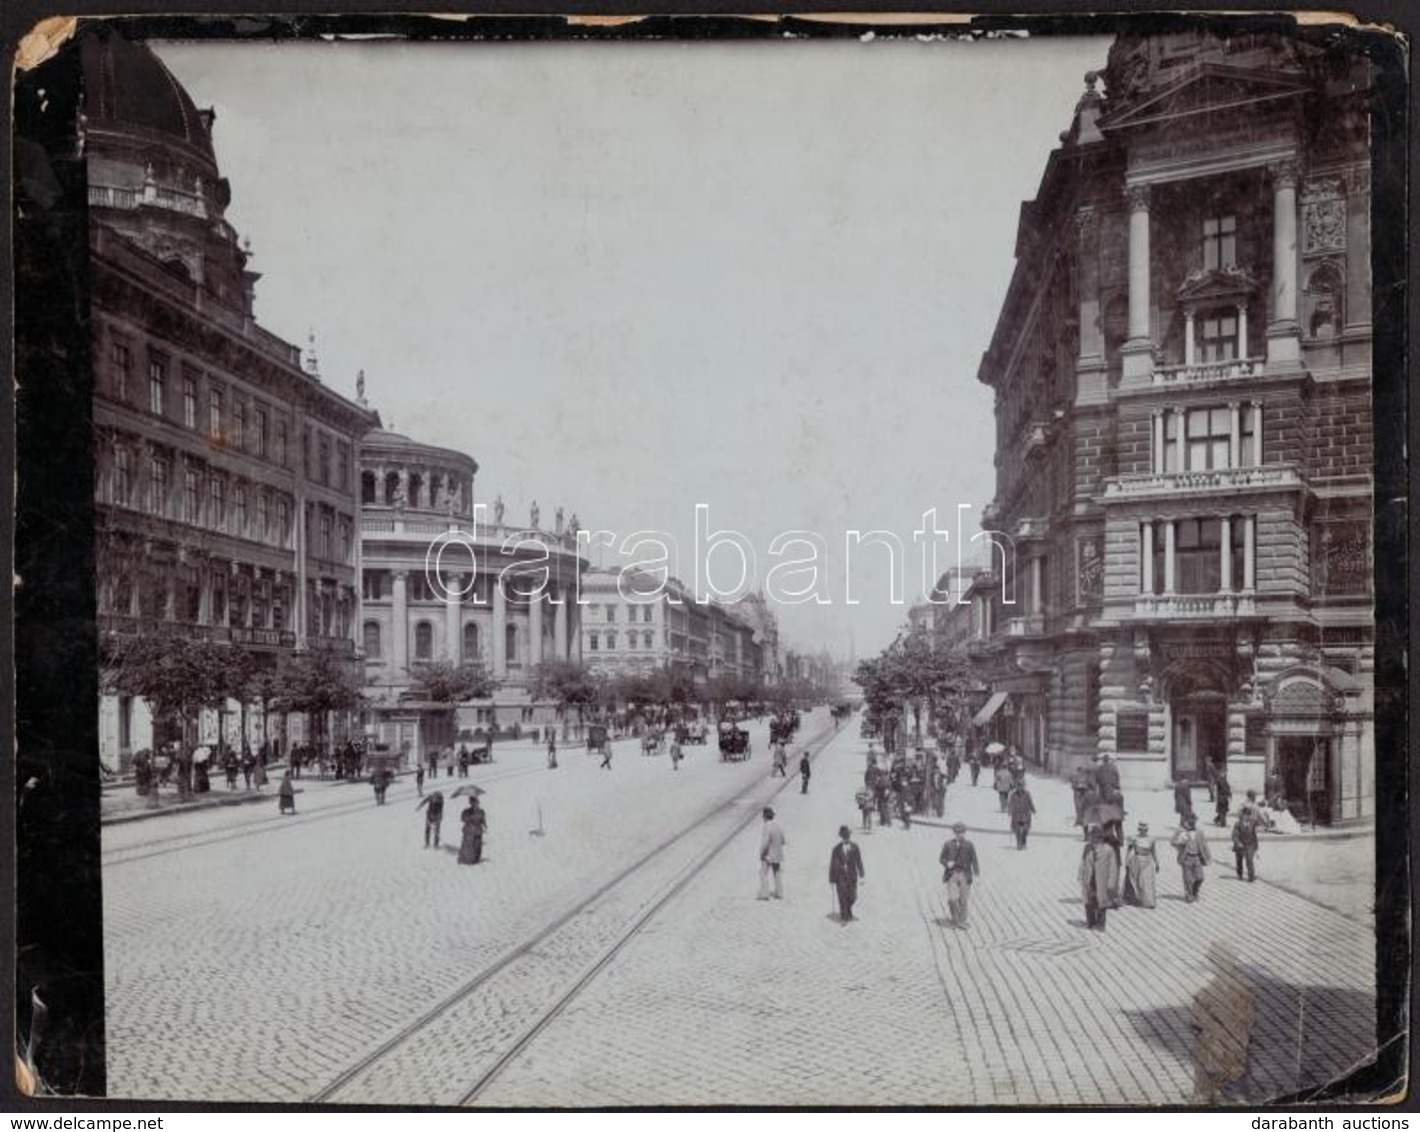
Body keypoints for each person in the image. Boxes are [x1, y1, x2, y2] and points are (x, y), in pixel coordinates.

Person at [1079, 825, 1120, 931]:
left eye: (1094, 838)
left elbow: (1113, 868)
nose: (1092, 840)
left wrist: (1112, 883)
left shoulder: (1108, 850)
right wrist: (1080, 875)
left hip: (1102, 880)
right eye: (1091, 837)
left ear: (1100, 838)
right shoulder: (1087, 848)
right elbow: (1083, 862)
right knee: (1089, 900)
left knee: (1101, 901)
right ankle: (1090, 921)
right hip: (1089, 878)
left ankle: (1101, 923)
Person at [939, 822, 979, 929]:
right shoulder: (948, 844)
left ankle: (962, 921)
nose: (959, 835)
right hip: (952, 874)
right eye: (957, 833)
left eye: (961, 833)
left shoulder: (969, 845)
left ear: (964, 833)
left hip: (965, 875)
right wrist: (947, 863)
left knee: (963, 899)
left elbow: (974, 860)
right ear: (954, 833)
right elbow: (941, 858)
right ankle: (955, 919)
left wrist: (976, 874)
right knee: (952, 898)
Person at [828, 826, 865, 923]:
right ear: (842, 837)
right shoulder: (836, 849)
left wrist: (862, 875)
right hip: (841, 876)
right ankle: (844, 915)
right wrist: (832, 879)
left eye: (847, 836)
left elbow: (859, 861)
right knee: (842, 896)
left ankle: (848, 909)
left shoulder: (855, 847)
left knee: (853, 896)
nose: (846, 838)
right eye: (844, 836)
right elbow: (832, 864)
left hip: (852, 876)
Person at [1173, 815, 1211, 902]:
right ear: (1187, 821)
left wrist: (1208, 857)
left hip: (1197, 857)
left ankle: (1195, 891)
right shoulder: (1181, 831)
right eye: (1190, 821)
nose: (1192, 823)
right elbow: (1173, 842)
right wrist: (1181, 842)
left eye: (1194, 821)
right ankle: (1188, 895)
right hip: (1186, 857)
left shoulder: (1199, 832)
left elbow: (1204, 844)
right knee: (1187, 879)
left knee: (1200, 877)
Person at [1123, 821, 1158, 908]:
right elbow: (1129, 851)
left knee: (1147, 881)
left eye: (1145, 830)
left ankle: (1149, 902)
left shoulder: (1151, 839)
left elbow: (1153, 852)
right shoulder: (1134, 838)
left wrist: (1157, 863)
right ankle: (1137, 899)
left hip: (1147, 860)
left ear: (1147, 830)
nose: (1143, 831)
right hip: (1136, 860)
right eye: (1141, 830)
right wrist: (1126, 862)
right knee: (1137, 881)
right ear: (1139, 830)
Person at [757, 807, 785, 900]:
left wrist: (761, 853)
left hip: (768, 854)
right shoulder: (778, 825)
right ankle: (779, 893)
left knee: (763, 873)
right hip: (778, 853)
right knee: (777, 872)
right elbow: (783, 840)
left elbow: (765, 842)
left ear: (765, 816)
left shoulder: (766, 826)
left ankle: (765, 894)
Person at [1006, 778, 1036, 849]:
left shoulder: (1027, 794)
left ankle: (1023, 842)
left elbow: (1030, 802)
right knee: (1017, 830)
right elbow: (1010, 803)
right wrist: (1010, 811)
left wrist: (1033, 809)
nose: (1020, 787)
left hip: (1026, 815)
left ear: (1024, 786)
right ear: (1016, 786)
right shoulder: (1013, 794)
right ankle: (1019, 843)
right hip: (1016, 815)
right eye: (1018, 785)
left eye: (1022, 785)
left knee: (1025, 830)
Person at [1231, 808, 1259, 882]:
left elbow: (1262, 823)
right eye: (1246, 815)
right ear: (1242, 815)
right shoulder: (1238, 824)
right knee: (1239, 860)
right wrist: (1238, 842)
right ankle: (1239, 874)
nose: (1247, 817)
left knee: (1249, 860)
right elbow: (1234, 835)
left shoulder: (1253, 823)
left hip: (1251, 844)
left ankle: (1251, 876)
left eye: (1249, 815)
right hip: (1240, 844)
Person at [458, 798, 487, 864]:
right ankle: (466, 860)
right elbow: (463, 819)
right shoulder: (466, 811)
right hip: (469, 830)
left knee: (477, 845)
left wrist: (485, 825)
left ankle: (475, 859)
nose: (475, 804)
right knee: (468, 846)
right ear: (470, 803)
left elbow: (483, 820)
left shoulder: (481, 811)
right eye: (473, 802)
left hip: (478, 830)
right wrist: (470, 817)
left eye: (476, 802)